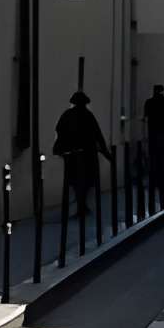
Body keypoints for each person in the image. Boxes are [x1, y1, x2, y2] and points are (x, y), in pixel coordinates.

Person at [54, 89, 112, 231]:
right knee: (84, 180)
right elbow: (98, 134)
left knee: (75, 179)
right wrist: (105, 152)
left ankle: (81, 205)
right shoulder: (87, 115)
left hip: (74, 153)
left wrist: (63, 145)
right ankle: (81, 205)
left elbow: (59, 129)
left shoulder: (68, 115)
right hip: (86, 153)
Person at [142, 84, 164, 186]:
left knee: (154, 156)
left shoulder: (149, 102)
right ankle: (163, 178)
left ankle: (154, 178)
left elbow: (145, 115)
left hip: (153, 132)